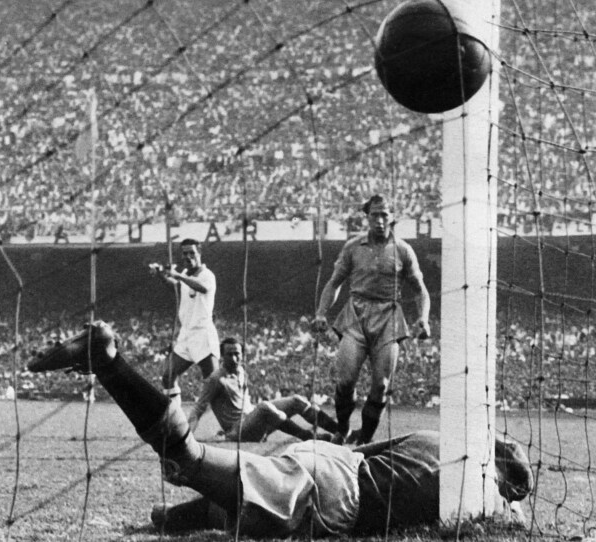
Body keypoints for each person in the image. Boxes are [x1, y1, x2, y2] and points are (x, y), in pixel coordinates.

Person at [27, 322, 532, 537]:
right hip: (340, 493)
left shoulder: (436, 439)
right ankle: (109, 361)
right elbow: (504, 512)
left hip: (330, 462)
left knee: (237, 489)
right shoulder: (476, 491)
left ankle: (174, 518)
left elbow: (365, 451)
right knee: (188, 457)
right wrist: (511, 506)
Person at [312, 194, 431, 445]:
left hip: (388, 317)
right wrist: (321, 313)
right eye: (374, 214)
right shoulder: (353, 247)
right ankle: (342, 428)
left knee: (381, 385)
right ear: (367, 217)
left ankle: (365, 439)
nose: (379, 220)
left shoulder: (402, 249)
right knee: (345, 381)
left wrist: (423, 318)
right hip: (356, 315)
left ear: (392, 217)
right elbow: (334, 283)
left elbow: (420, 289)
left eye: (384, 215)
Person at [188, 337, 338, 442]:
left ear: (242, 355)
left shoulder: (241, 371)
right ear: (222, 356)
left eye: (237, 354)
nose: (234, 358)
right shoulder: (216, 379)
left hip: (253, 421)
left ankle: (340, 431)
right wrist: (187, 437)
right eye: (229, 354)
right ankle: (309, 437)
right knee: (264, 406)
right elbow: (198, 408)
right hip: (238, 430)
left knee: (296, 400)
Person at [149, 238, 219, 406]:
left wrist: (178, 275)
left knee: (215, 383)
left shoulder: (207, 275)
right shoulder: (186, 274)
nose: (188, 256)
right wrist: (161, 274)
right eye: (185, 253)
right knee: (168, 376)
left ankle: (233, 422)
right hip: (186, 334)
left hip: (202, 333)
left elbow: (202, 287)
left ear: (199, 253)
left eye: (192, 253)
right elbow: (176, 285)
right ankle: (176, 418)